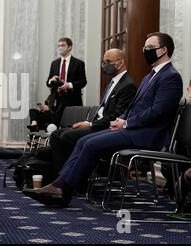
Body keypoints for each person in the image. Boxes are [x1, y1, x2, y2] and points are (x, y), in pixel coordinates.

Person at [23, 32, 183, 207]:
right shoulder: (149, 76)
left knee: (90, 144)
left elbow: (158, 111)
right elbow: (133, 108)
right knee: (83, 140)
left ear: (164, 50)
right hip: (131, 129)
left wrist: (127, 123)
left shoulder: (171, 77)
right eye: (144, 47)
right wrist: (120, 120)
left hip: (147, 135)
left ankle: (62, 189)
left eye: (150, 48)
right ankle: (59, 186)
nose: (145, 51)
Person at [48, 49, 136, 176]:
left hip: (107, 129)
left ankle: (74, 179)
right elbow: (102, 111)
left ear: (120, 63)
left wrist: (90, 125)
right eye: (103, 62)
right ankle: (61, 177)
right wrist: (88, 122)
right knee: (56, 135)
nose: (104, 65)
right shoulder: (113, 82)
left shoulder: (128, 85)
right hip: (96, 124)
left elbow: (116, 116)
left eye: (108, 62)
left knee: (67, 136)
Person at [45, 37, 87, 127]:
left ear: (69, 47)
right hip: (56, 101)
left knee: (71, 126)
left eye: (63, 45)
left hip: (72, 100)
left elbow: (83, 82)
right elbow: (47, 83)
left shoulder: (79, 63)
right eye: (59, 46)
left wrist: (68, 85)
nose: (60, 47)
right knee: (55, 127)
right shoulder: (54, 63)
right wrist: (51, 80)